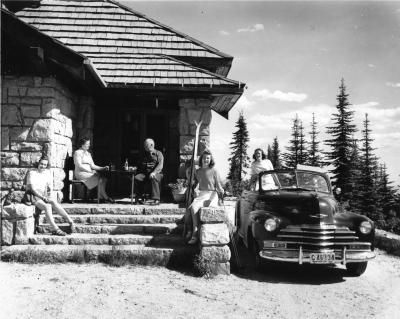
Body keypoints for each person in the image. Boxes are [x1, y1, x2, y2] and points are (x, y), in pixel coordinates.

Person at [23, 155, 75, 236]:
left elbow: (48, 187)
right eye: (41, 164)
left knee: (53, 201)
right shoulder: (32, 173)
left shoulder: (47, 173)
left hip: (43, 194)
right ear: (38, 163)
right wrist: (42, 197)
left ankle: (70, 221)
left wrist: (48, 196)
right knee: (47, 206)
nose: (43, 166)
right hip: (33, 195)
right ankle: (55, 229)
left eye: (45, 165)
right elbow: (32, 189)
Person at [186, 150, 224, 245]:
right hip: (202, 194)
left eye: (208, 158)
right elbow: (194, 183)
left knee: (206, 208)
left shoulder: (214, 171)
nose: (206, 159)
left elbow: (218, 186)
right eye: (204, 158)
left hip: (212, 194)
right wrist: (193, 186)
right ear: (201, 159)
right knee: (192, 208)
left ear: (210, 160)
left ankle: (194, 233)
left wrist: (221, 190)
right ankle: (194, 231)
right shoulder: (198, 171)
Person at [73, 137, 114, 203]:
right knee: (99, 179)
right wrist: (89, 171)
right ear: (82, 145)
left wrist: (102, 168)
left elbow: (93, 166)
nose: (89, 145)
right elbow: (79, 165)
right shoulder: (77, 153)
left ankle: (101, 197)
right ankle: (105, 197)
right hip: (81, 173)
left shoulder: (88, 154)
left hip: (89, 173)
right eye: (87, 144)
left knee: (104, 179)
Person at [134, 138, 163, 205]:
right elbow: (140, 165)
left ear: (152, 145)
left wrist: (154, 172)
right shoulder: (144, 154)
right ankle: (139, 198)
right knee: (138, 178)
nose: (144, 146)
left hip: (157, 173)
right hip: (146, 173)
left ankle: (156, 199)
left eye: (146, 145)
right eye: (144, 145)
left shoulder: (158, 153)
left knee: (154, 177)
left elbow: (160, 165)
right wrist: (137, 171)